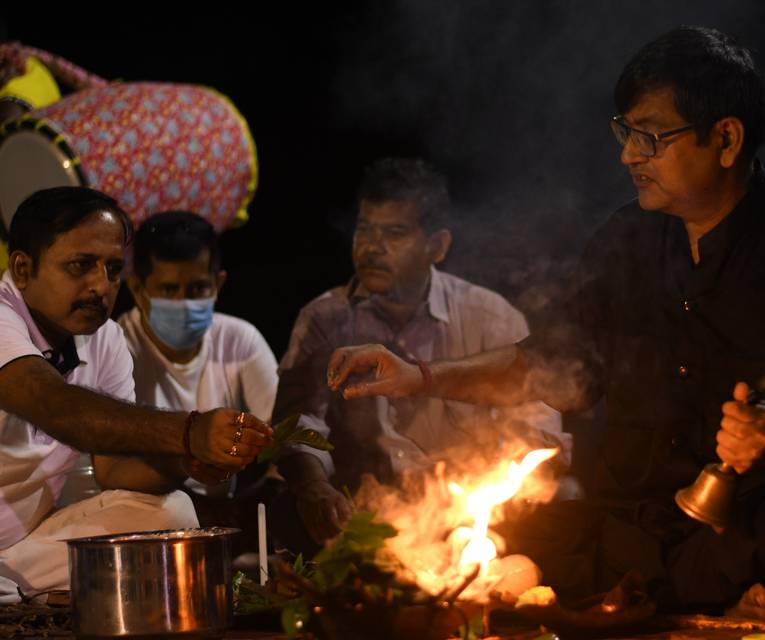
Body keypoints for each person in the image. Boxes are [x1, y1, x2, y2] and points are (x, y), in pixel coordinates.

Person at [326, 28, 765, 616]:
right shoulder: (625, 239)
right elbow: (547, 368)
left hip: (761, 517)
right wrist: (417, 376)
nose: (628, 155)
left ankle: (711, 587)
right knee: (518, 521)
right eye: (625, 132)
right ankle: (727, 592)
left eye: (651, 137)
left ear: (726, 138)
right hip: (645, 529)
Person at [273, 157, 569, 549]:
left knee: (564, 504)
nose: (372, 248)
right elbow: (297, 430)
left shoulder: (490, 317)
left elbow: (544, 435)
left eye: (394, 233)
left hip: (470, 520)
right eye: (364, 230)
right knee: (285, 508)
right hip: (362, 520)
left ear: (438, 246)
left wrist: (482, 472)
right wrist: (313, 487)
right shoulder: (324, 319)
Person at [0, 187, 270, 602]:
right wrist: (190, 430)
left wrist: (188, 460)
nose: (100, 286)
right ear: (22, 269)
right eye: (80, 266)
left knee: (174, 512)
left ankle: (17, 590)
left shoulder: (104, 339)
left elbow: (115, 472)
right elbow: (55, 406)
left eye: (111, 269)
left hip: (22, 547)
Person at [118, 211, 279, 517]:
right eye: (168, 290)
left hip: (226, 514)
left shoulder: (240, 340)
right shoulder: (117, 350)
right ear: (137, 289)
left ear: (218, 284)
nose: (184, 303)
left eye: (197, 289)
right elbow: (111, 470)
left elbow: (282, 435)